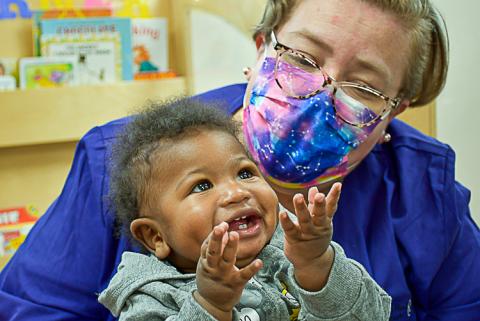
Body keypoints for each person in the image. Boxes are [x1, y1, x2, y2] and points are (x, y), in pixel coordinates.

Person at [0, 0, 478, 320]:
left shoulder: (423, 191)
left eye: (364, 88)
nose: (318, 95)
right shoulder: (124, 160)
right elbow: (34, 308)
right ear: (261, 48)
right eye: (303, 59)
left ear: (393, 111)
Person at [97, 98, 391, 320]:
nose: (237, 192)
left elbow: (371, 315)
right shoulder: (149, 297)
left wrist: (317, 264)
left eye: (245, 173)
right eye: (201, 186)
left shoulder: (291, 254)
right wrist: (211, 305)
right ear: (155, 236)